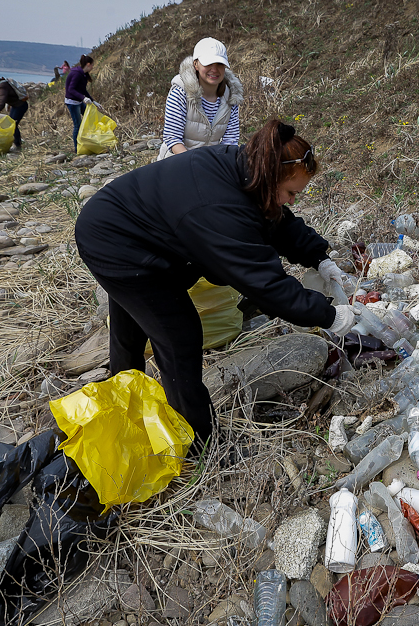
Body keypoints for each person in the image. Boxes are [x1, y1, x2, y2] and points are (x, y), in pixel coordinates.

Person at [74, 119, 356, 443]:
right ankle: (201, 442)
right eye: (291, 192)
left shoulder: (246, 169)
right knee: (178, 336)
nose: (292, 200)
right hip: (115, 243)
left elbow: (276, 219)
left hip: (124, 224)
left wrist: (318, 256)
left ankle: (125, 401)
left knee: (135, 320)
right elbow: (263, 284)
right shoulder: (219, 205)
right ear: (272, 176)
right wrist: (328, 315)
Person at [158, 37, 243, 161]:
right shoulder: (180, 92)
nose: (214, 69)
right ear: (196, 64)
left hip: (210, 164)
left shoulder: (231, 96)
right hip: (176, 162)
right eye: (208, 63)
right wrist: (196, 165)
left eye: (219, 64)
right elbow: (172, 139)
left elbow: (230, 141)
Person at [0, 69, 29, 151]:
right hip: (15, 106)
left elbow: (1, 103)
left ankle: (17, 146)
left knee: (13, 125)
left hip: (20, 106)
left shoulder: (2, 85)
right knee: (11, 124)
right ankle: (15, 142)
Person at [64, 54, 99, 151]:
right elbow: (71, 89)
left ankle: (88, 141)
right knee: (77, 124)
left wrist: (93, 101)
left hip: (79, 101)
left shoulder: (83, 74)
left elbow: (83, 90)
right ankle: (77, 148)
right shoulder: (76, 74)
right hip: (72, 102)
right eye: (92, 65)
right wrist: (83, 98)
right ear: (88, 64)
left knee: (90, 119)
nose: (92, 67)